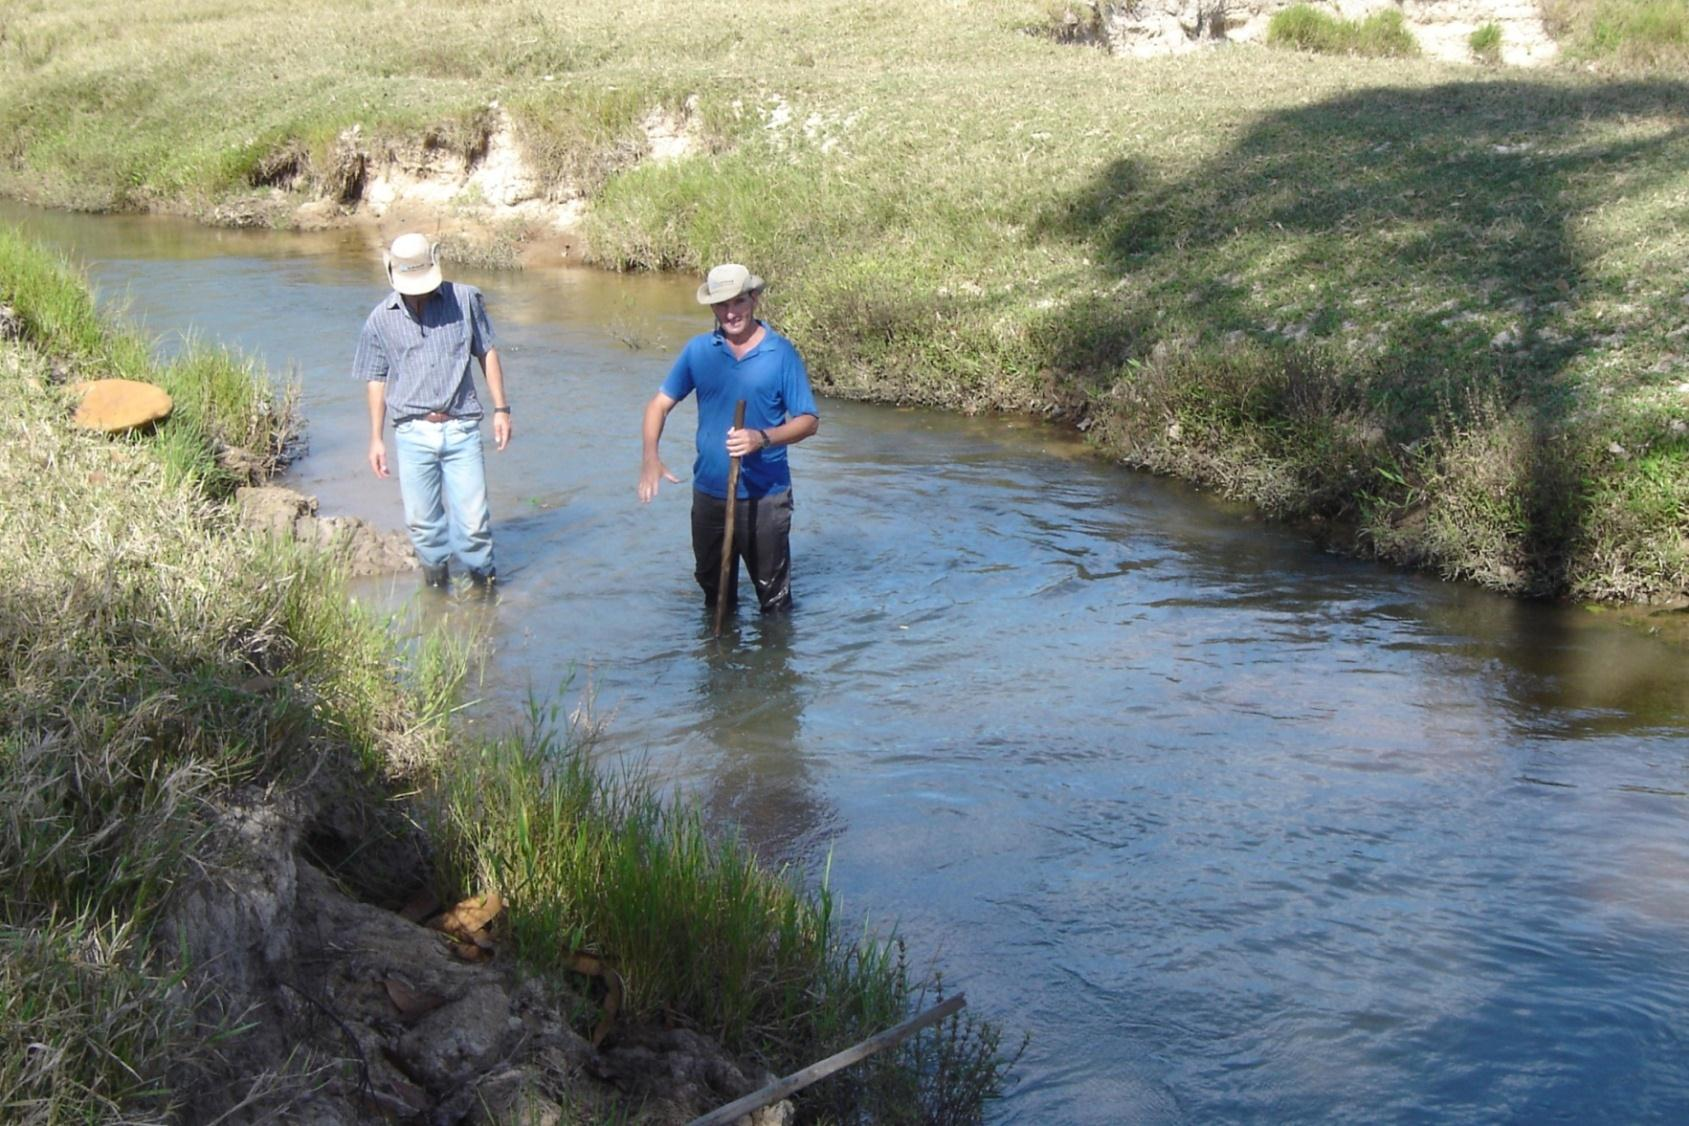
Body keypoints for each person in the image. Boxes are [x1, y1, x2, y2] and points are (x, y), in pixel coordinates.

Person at [639, 263, 819, 614]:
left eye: (738, 301)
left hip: (765, 498)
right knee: (715, 600)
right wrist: (650, 457)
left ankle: (771, 668)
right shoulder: (698, 351)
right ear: (712, 307)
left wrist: (761, 438)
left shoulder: (780, 354)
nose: (731, 312)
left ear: (753, 299)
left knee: (775, 605)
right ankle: (719, 666)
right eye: (722, 304)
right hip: (709, 495)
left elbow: (809, 421)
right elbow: (658, 405)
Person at [354, 232, 512, 590]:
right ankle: (437, 592)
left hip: (461, 427)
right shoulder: (379, 319)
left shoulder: (465, 299)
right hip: (411, 431)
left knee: (473, 525)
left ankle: (485, 593)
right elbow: (376, 380)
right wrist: (376, 439)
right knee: (424, 526)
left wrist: (501, 408)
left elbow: (486, 352)